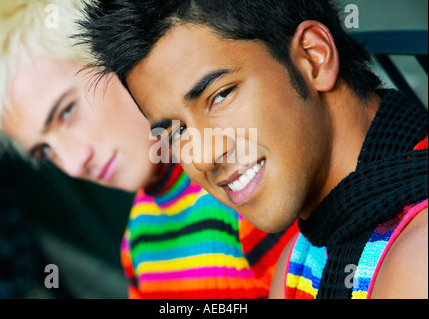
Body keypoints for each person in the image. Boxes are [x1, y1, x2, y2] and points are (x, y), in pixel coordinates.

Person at [78, 0, 428, 298]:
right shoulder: (300, 260)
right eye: (176, 132)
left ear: (314, 57)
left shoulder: (416, 260)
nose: (201, 157)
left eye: (220, 95)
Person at [0, 0, 298, 299]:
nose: (74, 164)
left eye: (66, 112)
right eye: (45, 151)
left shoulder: (246, 180)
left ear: (114, 57)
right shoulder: (137, 243)